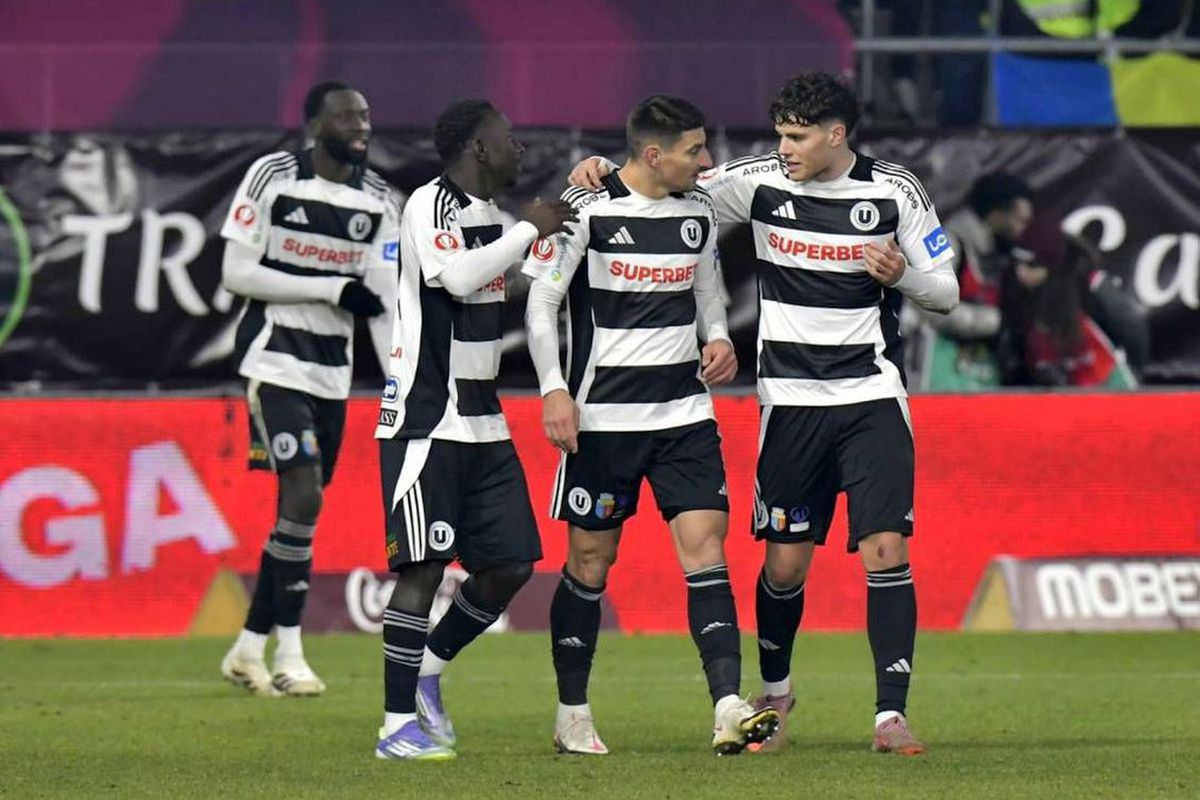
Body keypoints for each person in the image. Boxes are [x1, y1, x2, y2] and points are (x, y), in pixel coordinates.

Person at [570, 71, 958, 755]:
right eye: (780, 134)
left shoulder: (895, 191)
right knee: (784, 568)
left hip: (870, 395)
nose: (784, 148)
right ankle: (776, 693)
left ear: (836, 135)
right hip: (789, 404)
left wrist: (905, 277)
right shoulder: (757, 184)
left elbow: (947, 292)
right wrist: (605, 169)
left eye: (798, 137)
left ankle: (889, 716)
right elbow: (666, 188)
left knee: (886, 549)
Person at [524, 95, 778, 756]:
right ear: (655, 154)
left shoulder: (697, 210)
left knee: (706, 548)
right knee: (590, 560)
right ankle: (572, 713)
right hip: (603, 419)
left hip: (683, 414)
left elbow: (707, 291)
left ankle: (727, 705)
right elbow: (542, 302)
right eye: (695, 149)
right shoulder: (583, 206)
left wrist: (717, 336)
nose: (707, 160)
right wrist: (553, 390)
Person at [373, 99, 576, 760]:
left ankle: (427, 672)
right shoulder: (429, 204)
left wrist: (545, 262)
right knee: (423, 569)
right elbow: (458, 278)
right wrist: (530, 230)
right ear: (479, 149)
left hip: (483, 418)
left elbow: (495, 285)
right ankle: (395, 728)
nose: (519, 149)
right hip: (427, 416)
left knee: (510, 564)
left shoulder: (494, 219)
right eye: (508, 138)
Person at [219, 81, 400, 697]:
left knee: (296, 511)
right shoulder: (272, 175)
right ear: (314, 125)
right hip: (274, 359)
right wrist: (330, 287)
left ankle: (248, 647)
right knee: (304, 496)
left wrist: (399, 384)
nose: (361, 126)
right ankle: (291, 653)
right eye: (346, 116)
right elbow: (236, 272)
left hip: (332, 374)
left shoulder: (380, 199)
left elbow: (380, 304)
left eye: (366, 115)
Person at [906, 172, 1033, 390]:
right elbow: (928, 307)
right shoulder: (946, 243)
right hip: (935, 375)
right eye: (1020, 220)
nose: (1023, 229)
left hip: (979, 374)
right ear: (996, 214)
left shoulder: (1001, 255)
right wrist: (997, 321)